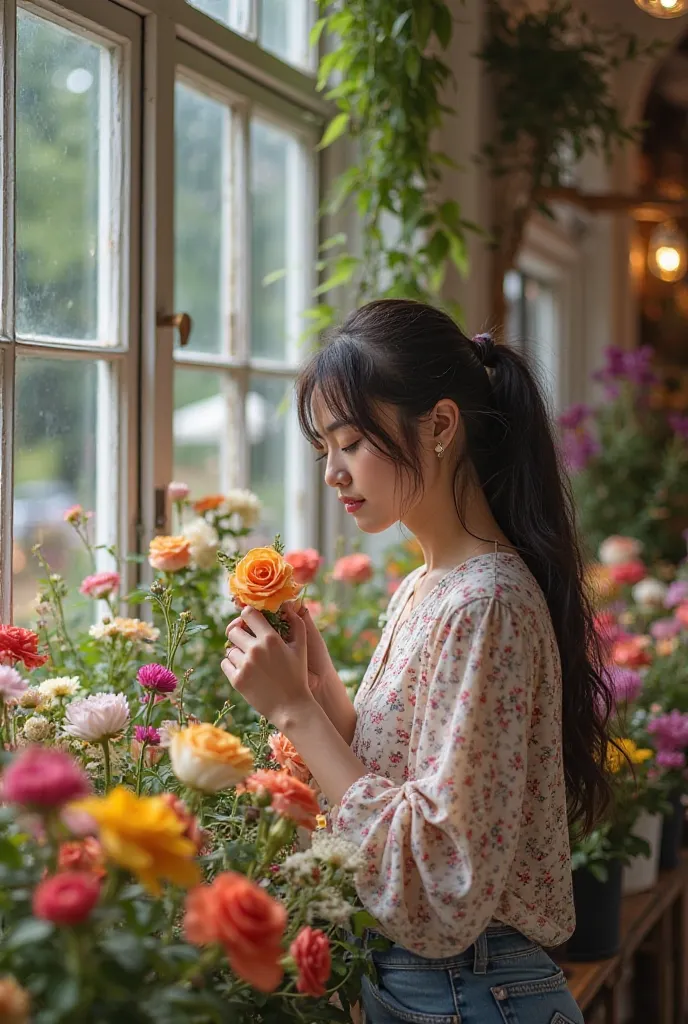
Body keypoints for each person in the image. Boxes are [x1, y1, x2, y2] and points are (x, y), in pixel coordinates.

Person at [221, 298, 612, 1024]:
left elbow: (442, 873)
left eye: (351, 442)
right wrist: (321, 689)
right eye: (324, 450)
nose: (333, 473)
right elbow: (400, 780)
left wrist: (297, 713)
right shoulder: (427, 588)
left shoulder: (484, 604)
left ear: (439, 426)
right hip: (439, 985)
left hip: (468, 987)